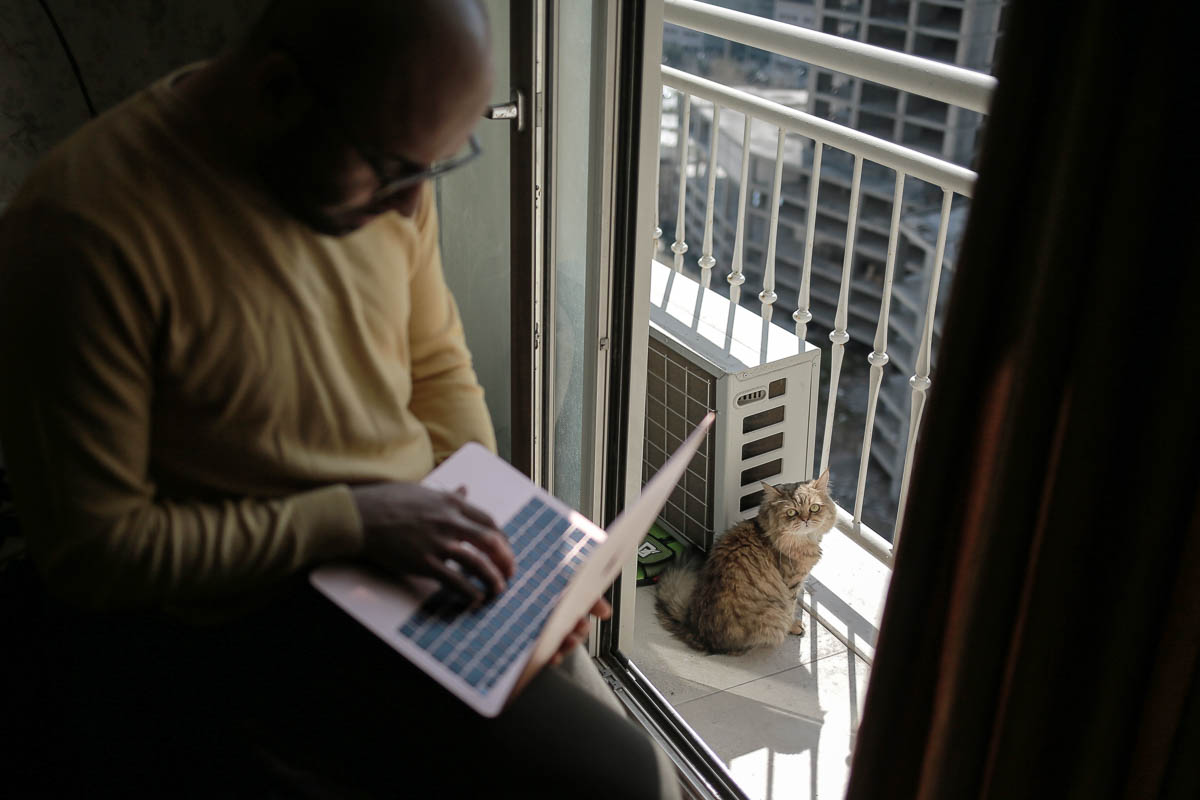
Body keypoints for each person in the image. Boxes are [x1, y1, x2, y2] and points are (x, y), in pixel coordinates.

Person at [0, 1, 680, 797]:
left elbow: (434, 365)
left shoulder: (376, 153)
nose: (406, 207)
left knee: (620, 739)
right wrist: (353, 519)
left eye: (433, 168)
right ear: (280, 88)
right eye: (394, 170)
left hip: (403, 542)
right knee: (625, 779)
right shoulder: (82, 234)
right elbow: (97, 557)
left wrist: (497, 522)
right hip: (257, 612)